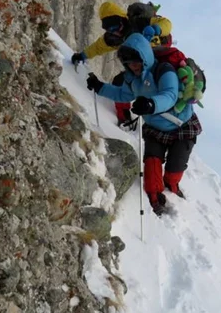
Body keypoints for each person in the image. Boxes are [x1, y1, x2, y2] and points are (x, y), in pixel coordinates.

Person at [85, 33, 202, 216]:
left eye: (136, 62)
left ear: (145, 59)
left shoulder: (163, 70)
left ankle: (172, 187)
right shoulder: (132, 79)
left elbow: (170, 95)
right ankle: (155, 199)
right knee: (151, 165)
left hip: (181, 127)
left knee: (175, 167)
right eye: (129, 63)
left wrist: (150, 104)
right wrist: (100, 87)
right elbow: (123, 95)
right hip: (155, 128)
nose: (133, 66)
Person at [71, 1, 173, 129]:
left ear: (122, 19)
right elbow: (98, 47)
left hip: (157, 58)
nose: (115, 32)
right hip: (138, 65)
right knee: (120, 82)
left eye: (116, 27)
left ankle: (157, 106)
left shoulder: (141, 22)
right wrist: (82, 55)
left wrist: (156, 29)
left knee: (160, 81)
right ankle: (124, 119)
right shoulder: (113, 38)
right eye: (110, 30)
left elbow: (167, 23)